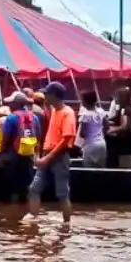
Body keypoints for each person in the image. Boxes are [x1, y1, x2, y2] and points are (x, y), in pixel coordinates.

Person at [28, 82, 76, 224]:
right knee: (34, 188)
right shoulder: (54, 110)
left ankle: (66, 224)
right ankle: (33, 219)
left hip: (59, 156)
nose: (45, 97)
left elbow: (66, 140)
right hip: (48, 154)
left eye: (47, 94)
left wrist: (48, 157)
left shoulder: (68, 113)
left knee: (62, 194)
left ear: (54, 95)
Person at [0, 91, 41, 223]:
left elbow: (5, 139)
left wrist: (1, 153)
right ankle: (23, 215)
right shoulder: (35, 118)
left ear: (17, 104)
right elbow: (38, 137)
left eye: (11, 102)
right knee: (26, 186)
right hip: (28, 156)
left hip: (12, 156)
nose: (9, 104)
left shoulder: (11, 118)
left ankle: (8, 215)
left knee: (9, 187)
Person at [105, 88, 131, 168]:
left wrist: (111, 130)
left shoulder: (125, 110)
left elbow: (125, 126)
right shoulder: (129, 109)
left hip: (125, 145)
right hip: (128, 145)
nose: (115, 99)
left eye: (117, 97)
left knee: (125, 168)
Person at [76, 91, 107, 168]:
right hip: (102, 144)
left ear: (86, 101)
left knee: (89, 170)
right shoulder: (101, 112)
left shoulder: (85, 115)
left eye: (82, 99)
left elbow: (82, 133)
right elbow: (107, 127)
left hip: (90, 145)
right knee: (100, 170)